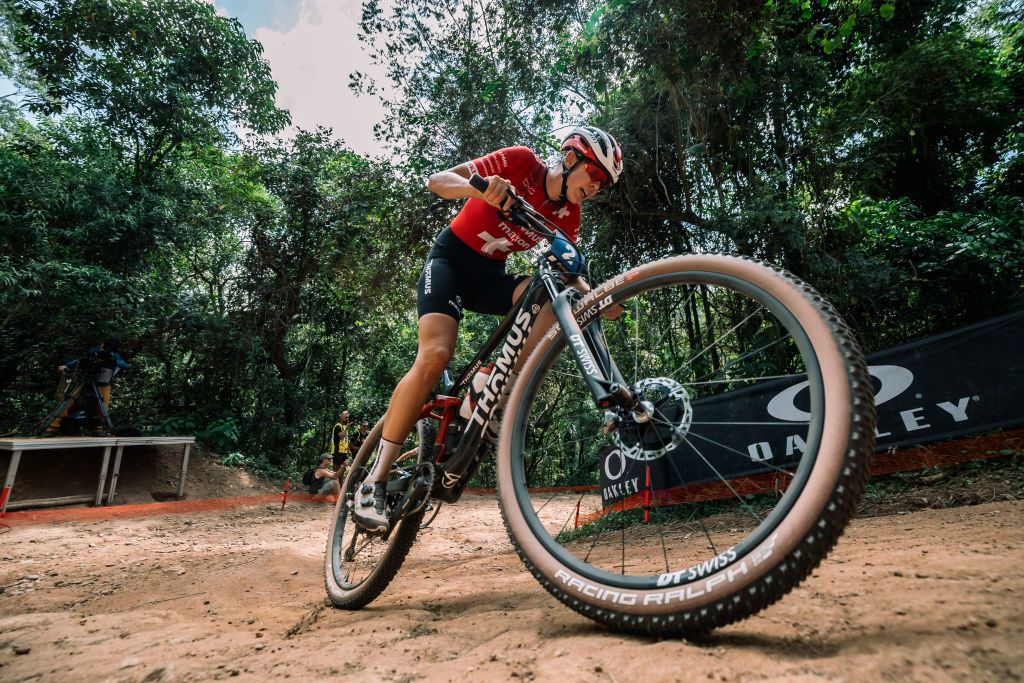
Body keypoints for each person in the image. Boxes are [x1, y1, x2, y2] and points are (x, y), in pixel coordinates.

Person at [352, 125, 623, 532]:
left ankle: (493, 383)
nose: (598, 188)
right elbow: (439, 181)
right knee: (435, 356)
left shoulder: (570, 214)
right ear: (570, 159)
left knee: (553, 299)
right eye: (596, 176)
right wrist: (481, 189)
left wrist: (603, 295)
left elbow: (569, 272)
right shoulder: (520, 163)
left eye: (605, 185)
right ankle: (373, 480)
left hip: (490, 277)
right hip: (450, 264)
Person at [44, 339, 129, 436]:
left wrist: (112, 358)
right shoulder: (94, 351)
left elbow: (125, 366)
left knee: (102, 407)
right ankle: (52, 428)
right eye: (104, 348)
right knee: (68, 403)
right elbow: (81, 361)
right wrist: (67, 366)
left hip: (103, 385)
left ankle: (97, 430)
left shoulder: (114, 356)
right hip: (86, 382)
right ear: (102, 345)